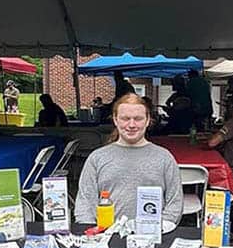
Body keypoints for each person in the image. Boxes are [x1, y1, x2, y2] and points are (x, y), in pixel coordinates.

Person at [75, 93, 183, 226]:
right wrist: (91, 234)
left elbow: (175, 203)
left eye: (138, 119)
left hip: (152, 237)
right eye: (125, 118)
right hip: (105, 236)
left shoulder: (164, 158)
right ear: (115, 120)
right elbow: (85, 203)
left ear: (148, 120)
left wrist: (160, 229)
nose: (131, 125)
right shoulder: (97, 158)